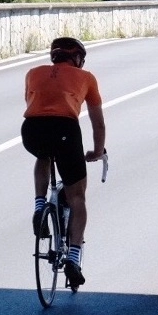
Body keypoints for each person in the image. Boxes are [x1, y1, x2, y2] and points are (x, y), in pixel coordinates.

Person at [21, 37, 106, 287]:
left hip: (32, 130)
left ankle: (39, 206)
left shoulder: (32, 73)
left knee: (43, 155)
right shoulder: (87, 78)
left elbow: (32, 103)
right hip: (65, 129)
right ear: (77, 58)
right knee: (77, 197)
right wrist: (98, 150)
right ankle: (73, 257)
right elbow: (97, 121)